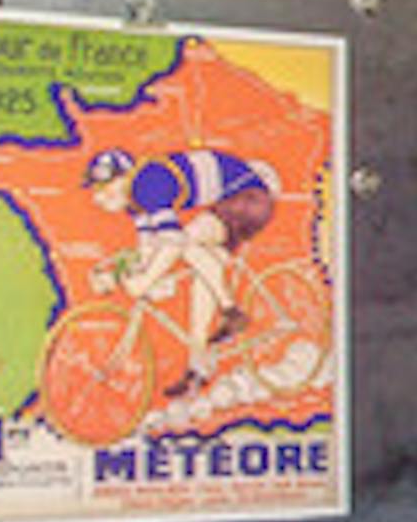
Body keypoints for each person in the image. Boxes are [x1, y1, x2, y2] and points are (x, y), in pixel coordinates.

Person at [84, 146, 280, 394]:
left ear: (125, 177)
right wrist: (121, 273)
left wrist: (145, 281)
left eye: (103, 188)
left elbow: (172, 241)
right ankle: (197, 369)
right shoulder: (135, 203)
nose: (98, 198)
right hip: (230, 204)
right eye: (95, 190)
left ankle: (231, 310)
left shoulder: (147, 182)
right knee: (202, 283)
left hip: (248, 199)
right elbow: (150, 247)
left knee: (186, 240)